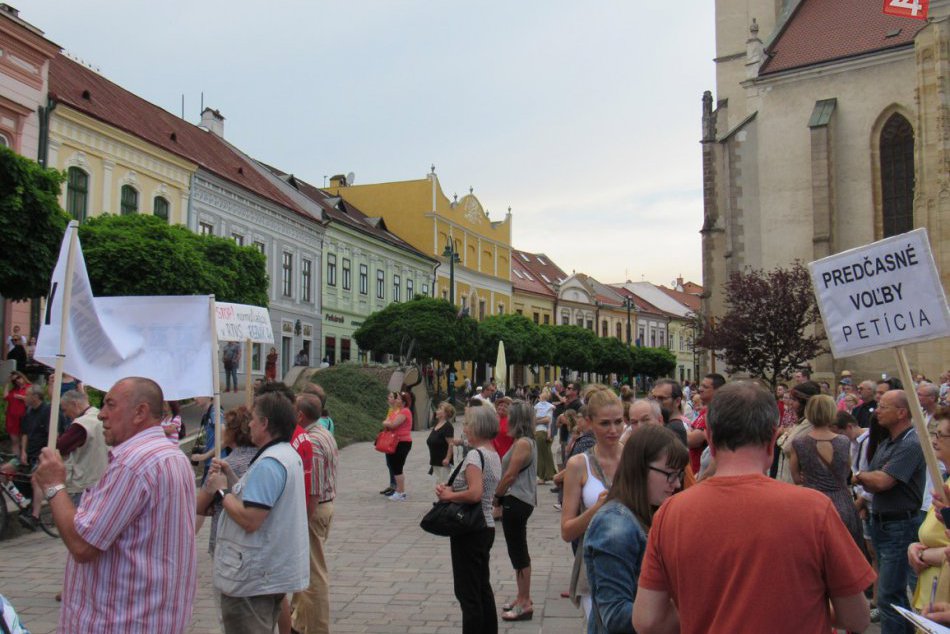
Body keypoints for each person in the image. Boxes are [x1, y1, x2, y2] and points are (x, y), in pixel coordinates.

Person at [633, 382, 874, 634]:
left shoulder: (671, 513)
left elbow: (648, 620)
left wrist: (706, 611)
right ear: (772, 437)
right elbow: (857, 618)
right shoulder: (814, 509)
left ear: (711, 439)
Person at [32, 377, 197, 632]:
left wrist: (54, 486)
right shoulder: (173, 456)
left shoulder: (132, 464)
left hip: (120, 621)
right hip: (153, 617)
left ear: (140, 412)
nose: (101, 415)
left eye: (110, 405)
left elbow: (83, 546)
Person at [205, 392, 309, 634]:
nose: (249, 424)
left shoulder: (270, 462)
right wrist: (231, 477)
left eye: (253, 418)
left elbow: (250, 519)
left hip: (251, 578)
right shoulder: (284, 454)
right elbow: (258, 497)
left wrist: (221, 492)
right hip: (267, 571)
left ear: (265, 424)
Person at [585, 425, 687, 634]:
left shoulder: (648, 513)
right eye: (670, 474)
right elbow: (615, 615)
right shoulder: (615, 526)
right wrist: (689, 610)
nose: (676, 483)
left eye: (679, 475)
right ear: (640, 468)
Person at [853, 389, 926, 634]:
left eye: (884, 406)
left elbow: (882, 481)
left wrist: (858, 477)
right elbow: (873, 477)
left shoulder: (912, 444)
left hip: (900, 525)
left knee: (888, 595)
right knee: (894, 595)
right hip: (882, 522)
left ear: (902, 413)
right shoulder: (887, 442)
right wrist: (868, 478)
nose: (877, 412)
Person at [436, 404, 502, 634]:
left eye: (467, 424)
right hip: (486, 526)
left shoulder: (475, 455)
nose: (464, 428)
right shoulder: (492, 454)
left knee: (468, 593)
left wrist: (449, 495)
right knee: (482, 587)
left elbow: (475, 493)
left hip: (470, 528)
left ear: (478, 427)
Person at [561, 388, 625, 618]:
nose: (614, 430)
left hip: (631, 564)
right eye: (605, 423)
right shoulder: (579, 464)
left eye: (619, 422)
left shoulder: (633, 457)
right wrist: (596, 509)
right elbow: (567, 531)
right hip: (594, 565)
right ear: (589, 423)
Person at [291, 393, 339, 634]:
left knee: (314, 577)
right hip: (323, 506)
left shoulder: (313, 440)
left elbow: (314, 490)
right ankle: (299, 623)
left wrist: (302, 520)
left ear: (300, 414)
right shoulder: (322, 433)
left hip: (314, 510)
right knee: (307, 573)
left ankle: (318, 628)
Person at [789, 394, 863, 547]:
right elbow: (846, 471)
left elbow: (796, 478)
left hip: (812, 502)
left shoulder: (800, 442)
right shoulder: (843, 441)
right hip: (842, 501)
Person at [494, 401, 538, 621]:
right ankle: (521, 596)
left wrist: (496, 497)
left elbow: (510, 475)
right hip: (520, 500)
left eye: (510, 415)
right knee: (517, 551)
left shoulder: (523, 443)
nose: (506, 419)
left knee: (519, 552)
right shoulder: (523, 441)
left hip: (517, 499)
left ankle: (524, 602)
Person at [196, 406, 257, 557]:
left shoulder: (224, 465)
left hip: (227, 539)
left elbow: (199, 506)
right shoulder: (262, 458)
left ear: (231, 432)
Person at [907, 407, 950, 613]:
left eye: (940, 435)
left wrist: (925, 555)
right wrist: (917, 546)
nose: (934, 440)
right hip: (931, 597)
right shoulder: (947, 481)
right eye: (934, 433)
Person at [58, 389, 108, 507]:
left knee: (76, 522)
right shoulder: (99, 416)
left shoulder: (81, 424)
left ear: (74, 404)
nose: (65, 415)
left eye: (65, 410)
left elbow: (60, 447)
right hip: (102, 478)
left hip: (85, 483)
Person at [774, 380, 821, 482]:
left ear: (805, 403)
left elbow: (787, 447)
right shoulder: (801, 422)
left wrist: (785, 435)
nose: (791, 403)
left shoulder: (808, 423)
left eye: (794, 400)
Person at [687, 373, 724, 475]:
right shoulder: (704, 411)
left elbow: (691, 440)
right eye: (701, 385)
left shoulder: (715, 413)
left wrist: (686, 428)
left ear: (718, 391)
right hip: (696, 470)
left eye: (705, 387)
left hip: (705, 473)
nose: (700, 389)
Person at [381, 391, 413, 500]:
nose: (396, 400)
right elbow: (389, 421)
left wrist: (385, 423)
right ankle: (398, 490)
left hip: (402, 442)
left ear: (404, 402)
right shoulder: (399, 411)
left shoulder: (405, 412)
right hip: (396, 441)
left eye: (398, 399)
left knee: (397, 467)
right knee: (394, 466)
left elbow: (392, 424)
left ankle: (401, 492)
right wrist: (387, 422)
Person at [427, 401, 456, 484]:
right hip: (435, 461)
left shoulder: (448, 426)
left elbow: (451, 444)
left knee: (444, 485)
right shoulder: (437, 424)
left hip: (444, 462)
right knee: (439, 484)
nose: (437, 410)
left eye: (440, 409)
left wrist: (447, 458)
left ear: (445, 413)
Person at [3, 371, 29, 461]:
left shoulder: (29, 387)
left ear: (22, 376)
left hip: (24, 418)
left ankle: (24, 459)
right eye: (14, 380)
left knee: (24, 442)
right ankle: (16, 461)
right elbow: (5, 396)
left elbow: (35, 401)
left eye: (18, 378)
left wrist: (23, 398)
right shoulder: (14, 390)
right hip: (11, 418)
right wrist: (7, 382)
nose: (17, 381)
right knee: (15, 441)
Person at [534, 389, 557, 483]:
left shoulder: (546, 407)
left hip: (542, 431)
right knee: (546, 453)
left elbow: (547, 420)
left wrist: (536, 420)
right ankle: (549, 474)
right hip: (543, 431)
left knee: (542, 454)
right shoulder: (545, 407)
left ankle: (544, 476)